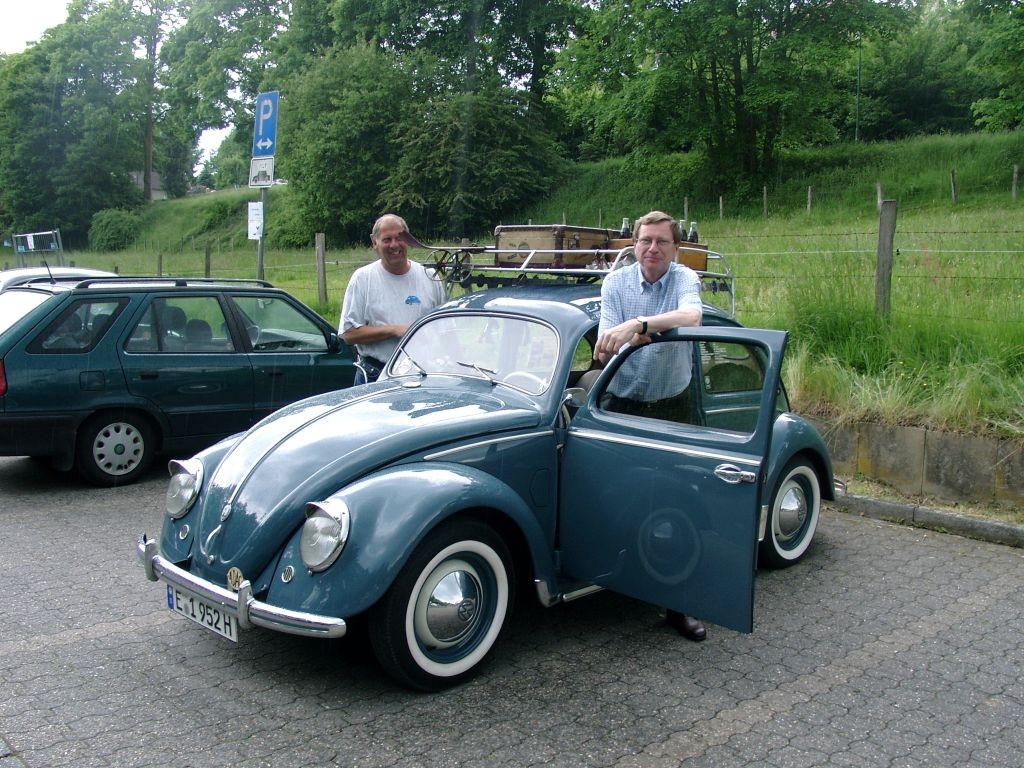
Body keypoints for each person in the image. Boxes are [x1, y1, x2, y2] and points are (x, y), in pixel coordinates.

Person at [594, 210, 708, 642]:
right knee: (618, 496)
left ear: (675, 247)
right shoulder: (615, 283)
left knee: (677, 502)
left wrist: (639, 325)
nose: (653, 249)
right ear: (635, 244)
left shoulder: (684, 278)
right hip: (622, 403)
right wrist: (627, 335)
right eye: (645, 241)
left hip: (673, 403)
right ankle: (616, 582)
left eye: (662, 241)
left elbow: (692, 316)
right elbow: (605, 347)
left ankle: (679, 603)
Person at [340, 213, 447, 384]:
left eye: (399, 238)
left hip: (422, 375)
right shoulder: (362, 279)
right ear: (374, 242)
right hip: (375, 376)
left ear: (409, 240)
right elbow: (349, 334)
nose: (394, 245)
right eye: (387, 239)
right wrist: (394, 330)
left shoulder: (429, 276)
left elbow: (445, 329)